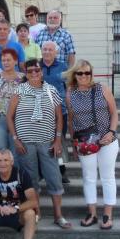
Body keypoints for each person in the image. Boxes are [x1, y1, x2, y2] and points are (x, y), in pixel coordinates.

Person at [7, 59, 71, 229]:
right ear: (26, 74)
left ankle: (58, 215)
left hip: (47, 142)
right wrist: (15, 139)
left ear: (41, 72)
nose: (34, 73)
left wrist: (58, 140)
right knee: (31, 179)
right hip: (25, 144)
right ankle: (36, 212)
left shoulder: (51, 91)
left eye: (37, 70)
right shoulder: (19, 90)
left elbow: (59, 117)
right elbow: (9, 117)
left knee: (54, 178)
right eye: (30, 71)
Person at [65, 59, 119, 230]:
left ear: (91, 73)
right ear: (75, 75)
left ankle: (107, 214)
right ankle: (92, 213)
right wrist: (73, 143)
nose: (84, 76)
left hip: (106, 139)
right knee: (88, 178)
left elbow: (114, 113)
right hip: (84, 142)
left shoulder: (102, 88)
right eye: (80, 73)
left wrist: (111, 133)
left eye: (87, 72)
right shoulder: (70, 92)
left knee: (107, 176)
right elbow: (71, 120)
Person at [0, 49, 26, 158]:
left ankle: (16, 175)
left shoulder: (23, 78)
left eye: (8, 60)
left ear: (16, 61)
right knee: (1, 151)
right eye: (3, 60)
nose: (6, 62)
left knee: (16, 152)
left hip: (18, 120)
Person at [41, 41, 71, 183]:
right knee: (43, 141)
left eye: (50, 50)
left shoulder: (63, 67)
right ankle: (44, 171)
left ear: (56, 52)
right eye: (45, 49)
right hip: (41, 111)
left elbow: (68, 88)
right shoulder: (36, 67)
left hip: (60, 111)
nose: (47, 52)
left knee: (59, 141)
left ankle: (61, 170)